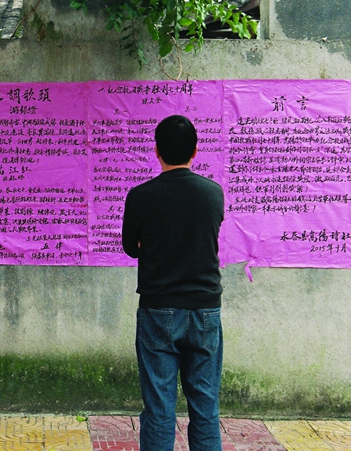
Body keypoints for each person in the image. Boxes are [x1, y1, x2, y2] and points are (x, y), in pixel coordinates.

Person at [121, 115, 225, 451]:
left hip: (158, 310)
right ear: (195, 151)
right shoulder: (213, 194)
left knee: (159, 409)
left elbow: (130, 247)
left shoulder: (140, 196)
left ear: (157, 151)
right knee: (205, 409)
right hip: (205, 311)